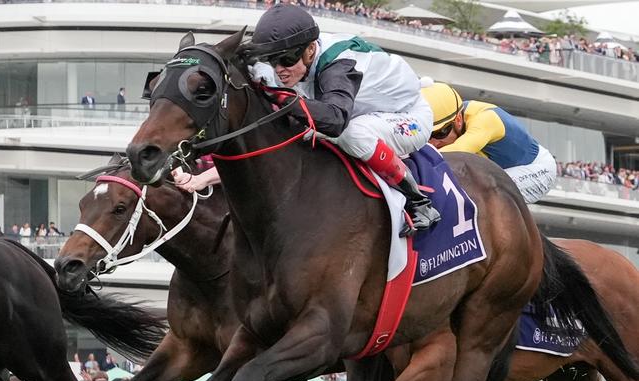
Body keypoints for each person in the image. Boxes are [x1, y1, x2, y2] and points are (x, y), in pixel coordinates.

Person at [174, 4, 440, 236]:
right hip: (356, 111)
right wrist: (200, 180)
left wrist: (282, 99)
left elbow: (335, 121)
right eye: (272, 60)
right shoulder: (289, 58)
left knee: (352, 133)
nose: (280, 70)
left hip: (407, 117)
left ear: (311, 49)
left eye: (287, 60)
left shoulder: (339, 65)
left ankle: (418, 200)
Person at [421, 82, 557, 204]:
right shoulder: (453, 112)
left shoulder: (486, 120)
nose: (433, 142)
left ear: (458, 120)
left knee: (483, 194)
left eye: (440, 133)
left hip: (537, 169)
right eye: (428, 136)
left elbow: (457, 151)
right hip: (501, 168)